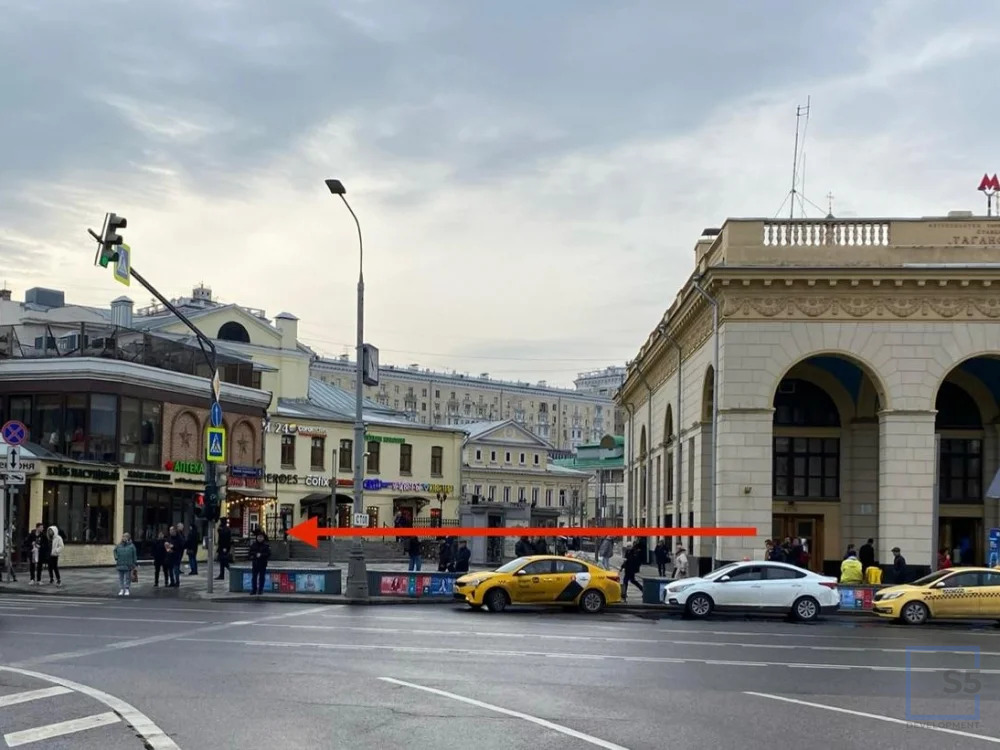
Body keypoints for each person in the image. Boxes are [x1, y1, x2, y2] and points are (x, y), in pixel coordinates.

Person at [249, 531, 271, 596]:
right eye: (258, 537)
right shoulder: (253, 545)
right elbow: (250, 553)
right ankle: (254, 589)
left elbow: (268, 554)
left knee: (262, 577)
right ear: (256, 537)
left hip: (263, 563)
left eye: (261, 537)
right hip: (255, 563)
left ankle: (260, 590)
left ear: (263, 538)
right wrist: (255, 554)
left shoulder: (266, 546)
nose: (260, 538)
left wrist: (261, 555)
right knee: (254, 577)